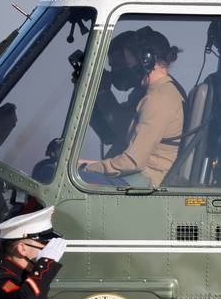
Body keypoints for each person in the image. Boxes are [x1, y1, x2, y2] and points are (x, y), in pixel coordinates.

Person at [79, 26, 186, 187]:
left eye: (124, 63)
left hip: (142, 181)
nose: (118, 71)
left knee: (57, 175)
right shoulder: (155, 92)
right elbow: (117, 133)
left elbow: (131, 162)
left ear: (146, 60)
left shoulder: (159, 98)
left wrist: (84, 167)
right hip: (136, 178)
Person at [0, 206, 67, 299]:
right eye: (44, 243)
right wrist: (45, 262)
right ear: (22, 249)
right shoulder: (1, 283)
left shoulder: (24, 278)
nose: (48, 248)